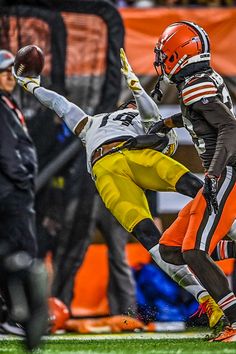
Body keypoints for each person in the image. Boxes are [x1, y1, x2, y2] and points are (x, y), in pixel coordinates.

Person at [13, 50, 226, 333]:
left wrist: (135, 83)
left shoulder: (140, 121)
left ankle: (230, 233)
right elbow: (60, 104)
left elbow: (150, 112)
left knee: (199, 188)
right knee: (151, 239)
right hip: (108, 170)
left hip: (136, 153)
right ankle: (207, 300)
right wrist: (32, 85)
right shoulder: (91, 122)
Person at [146, 21, 236, 342]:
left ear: (177, 53)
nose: (161, 60)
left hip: (227, 172)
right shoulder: (199, 79)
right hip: (221, 171)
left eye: (165, 53)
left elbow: (229, 128)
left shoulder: (195, 83)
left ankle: (234, 321)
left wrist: (212, 174)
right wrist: (164, 122)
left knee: (195, 251)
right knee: (171, 249)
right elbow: (198, 115)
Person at [0, 49, 48, 350]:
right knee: (21, 256)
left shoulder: (7, 104)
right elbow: (7, 153)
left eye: (10, 72)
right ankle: (15, 316)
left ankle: (11, 314)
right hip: (9, 193)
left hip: (9, 190)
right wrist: (23, 179)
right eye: (3, 73)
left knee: (13, 255)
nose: (9, 77)